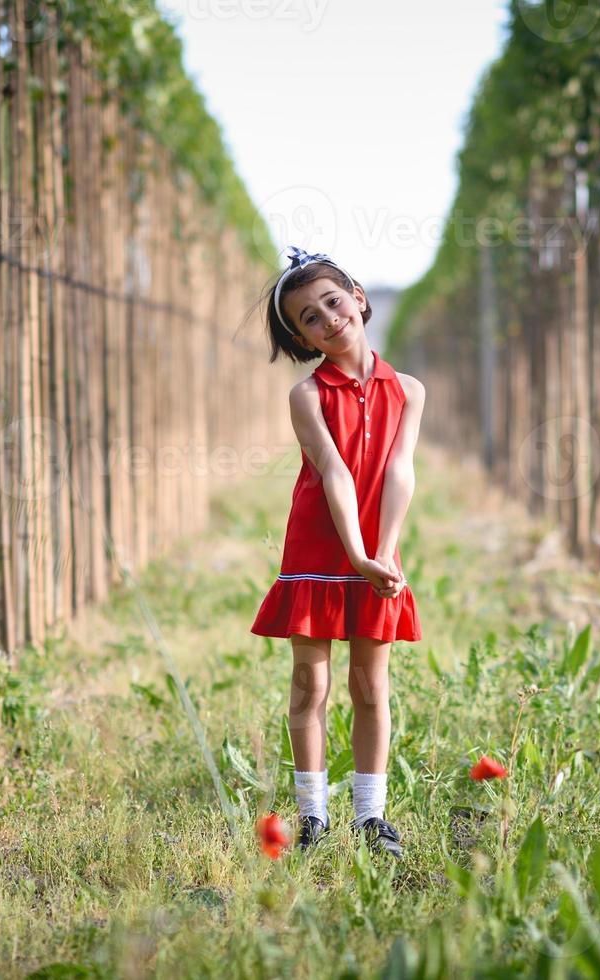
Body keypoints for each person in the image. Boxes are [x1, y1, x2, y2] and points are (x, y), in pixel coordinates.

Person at [249, 245, 425, 859]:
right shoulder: (307, 395)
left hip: (378, 553)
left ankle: (372, 818)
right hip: (322, 549)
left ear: (357, 295)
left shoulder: (408, 389)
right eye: (309, 319)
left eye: (332, 301)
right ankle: (313, 816)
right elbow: (334, 472)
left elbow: (399, 472)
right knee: (310, 686)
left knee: (371, 687)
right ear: (302, 338)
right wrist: (353, 553)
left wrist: (384, 553)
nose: (328, 319)